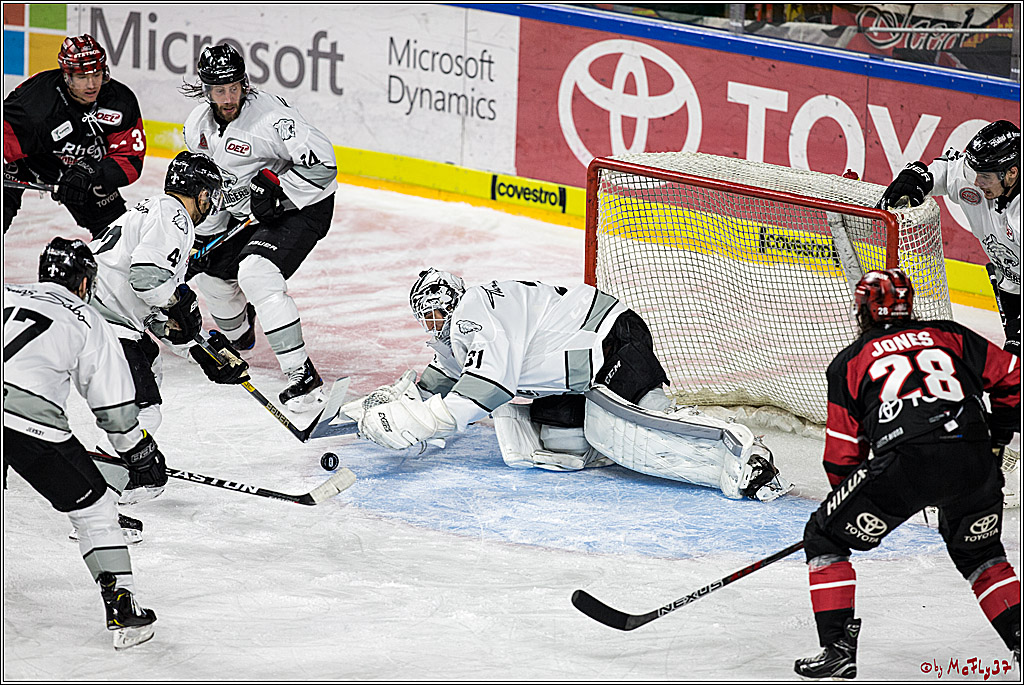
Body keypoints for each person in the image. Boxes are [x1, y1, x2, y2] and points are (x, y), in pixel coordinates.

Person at [354, 269, 792, 501]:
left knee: (652, 421)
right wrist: (386, 404)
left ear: (454, 299)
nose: (434, 320)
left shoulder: (473, 310)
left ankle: (746, 457)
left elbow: (490, 383)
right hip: (587, 367)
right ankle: (620, 437)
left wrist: (426, 421)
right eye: (426, 315)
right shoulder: (462, 327)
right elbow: (446, 375)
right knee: (557, 442)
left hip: (612, 341)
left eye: (437, 309)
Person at [794, 269, 1020, 679]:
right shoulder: (950, 335)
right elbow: (1014, 376)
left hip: (906, 462)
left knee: (823, 537)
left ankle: (837, 650)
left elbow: (842, 459)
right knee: (982, 556)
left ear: (863, 310)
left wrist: (848, 508)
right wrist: (998, 435)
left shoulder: (850, 362)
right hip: (974, 460)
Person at [3, 238, 164, 650]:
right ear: (84, 282)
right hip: (29, 423)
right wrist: (140, 454)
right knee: (95, 510)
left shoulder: (6, 292)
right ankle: (123, 609)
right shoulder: (88, 319)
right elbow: (114, 412)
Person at [179, 43, 338, 412]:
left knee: (256, 272)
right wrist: (200, 241)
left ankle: (302, 375)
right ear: (206, 90)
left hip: (302, 208)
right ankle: (242, 329)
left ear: (244, 83)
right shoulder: (196, 127)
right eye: (220, 90)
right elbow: (211, 191)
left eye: (234, 87)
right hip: (246, 215)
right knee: (211, 280)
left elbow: (324, 167)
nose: (228, 97)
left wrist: (279, 195)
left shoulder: (272, 119)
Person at [87, 150, 224, 503]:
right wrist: (178, 302)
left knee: (150, 363)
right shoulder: (175, 217)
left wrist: (201, 352)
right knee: (141, 413)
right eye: (212, 196)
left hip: (103, 316)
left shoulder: (156, 209)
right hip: (103, 322)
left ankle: (125, 467)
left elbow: (149, 305)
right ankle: (100, 495)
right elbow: (146, 279)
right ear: (203, 194)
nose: (212, 204)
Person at [878, 120, 1020, 357]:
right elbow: (945, 171)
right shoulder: (980, 180)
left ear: (1012, 173)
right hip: (1010, 283)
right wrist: (917, 178)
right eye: (974, 173)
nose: (976, 183)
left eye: (984, 177)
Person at [3, 34, 146, 237]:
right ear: (67, 76)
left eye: (97, 74)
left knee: (118, 237)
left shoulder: (120, 102)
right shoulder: (36, 102)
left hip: (86, 171)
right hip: (28, 162)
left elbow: (130, 160)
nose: (91, 85)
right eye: (82, 77)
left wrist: (91, 172)